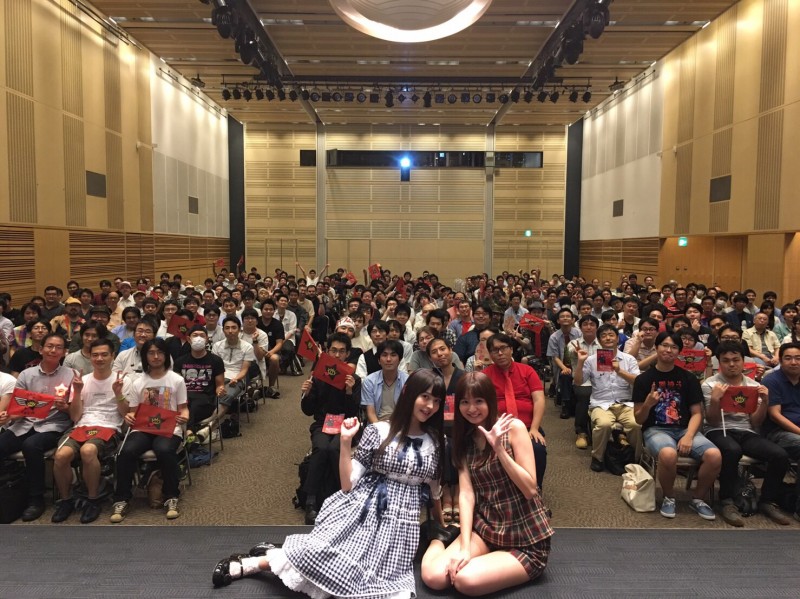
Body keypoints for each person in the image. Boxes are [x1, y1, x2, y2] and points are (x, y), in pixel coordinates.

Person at [212, 369, 446, 597]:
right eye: (425, 397)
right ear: (408, 393)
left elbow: (435, 490)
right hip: (365, 510)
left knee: (382, 585)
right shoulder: (379, 431)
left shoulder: (437, 441)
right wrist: (345, 442)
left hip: (400, 526)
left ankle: (279, 553)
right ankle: (254, 563)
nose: (430, 406)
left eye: (436, 401)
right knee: (332, 558)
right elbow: (348, 484)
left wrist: (442, 528)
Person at [421, 372, 552, 596]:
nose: (472, 409)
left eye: (479, 401)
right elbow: (466, 495)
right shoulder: (465, 440)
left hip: (525, 538)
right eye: (465, 402)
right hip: (486, 529)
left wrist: (499, 449)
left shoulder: (514, 428)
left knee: (464, 580)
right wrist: (464, 548)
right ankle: (438, 537)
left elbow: (530, 490)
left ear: (490, 400)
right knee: (434, 577)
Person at [632, 332, 722, 520]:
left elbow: (697, 413)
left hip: (684, 429)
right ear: (656, 348)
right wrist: (648, 404)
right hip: (655, 429)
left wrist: (689, 436)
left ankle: (698, 498)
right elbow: (639, 419)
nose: (669, 350)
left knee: (714, 456)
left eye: (674, 347)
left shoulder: (688, 378)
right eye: (664, 345)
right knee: (668, 454)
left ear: (679, 352)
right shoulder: (643, 380)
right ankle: (669, 496)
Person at [702, 341, 791, 527]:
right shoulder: (710, 384)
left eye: (736, 360)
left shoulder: (753, 386)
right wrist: (716, 400)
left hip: (746, 431)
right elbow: (712, 421)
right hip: (718, 430)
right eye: (726, 360)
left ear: (743, 361)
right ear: (719, 362)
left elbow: (756, 422)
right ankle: (726, 500)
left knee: (779, 455)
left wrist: (765, 402)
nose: (731, 364)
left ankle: (767, 500)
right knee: (731, 450)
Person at [112, 338, 189, 522]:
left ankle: (171, 496)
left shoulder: (177, 380)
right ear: (145, 356)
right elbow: (132, 412)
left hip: (169, 427)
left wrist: (185, 416)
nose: (156, 357)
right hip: (143, 428)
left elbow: (184, 408)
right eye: (151, 353)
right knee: (126, 451)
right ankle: (122, 499)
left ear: (166, 355)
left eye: (160, 352)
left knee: (164, 449)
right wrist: (129, 416)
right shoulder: (138, 382)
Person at [0, 332, 74, 521]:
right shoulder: (27, 374)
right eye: (49, 346)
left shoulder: (71, 375)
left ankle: (36, 499)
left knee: (31, 446)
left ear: (64, 352)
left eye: (58, 347)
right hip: (24, 423)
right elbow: (17, 406)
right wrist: (7, 416)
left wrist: (65, 407)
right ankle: (9, 491)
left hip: (53, 425)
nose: (53, 350)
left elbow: (74, 410)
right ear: (41, 349)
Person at [51, 339, 127, 524]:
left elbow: (126, 414)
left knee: (88, 451)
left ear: (112, 356)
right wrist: (77, 391)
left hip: (109, 427)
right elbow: (75, 416)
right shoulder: (82, 381)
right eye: (95, 355)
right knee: (61, 456)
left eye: (104, 354)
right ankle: (66, 500)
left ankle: (93, 499)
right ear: (90, 357)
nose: (99, 358)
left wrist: (118, 393)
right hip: (82, 426)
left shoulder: (122, 379)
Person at [299, 333, 361, 525]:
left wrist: (349, 391)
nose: (337, 355)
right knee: (321, 448)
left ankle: (344, 497)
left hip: (346, 424)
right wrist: (307, 394)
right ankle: (311, 502)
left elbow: (354, 413)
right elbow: (308, 411)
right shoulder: (318, 375)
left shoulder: (353, 379)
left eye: (342, 351)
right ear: (327, 352)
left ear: (348, 354)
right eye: (333, 350)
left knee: (335, 449)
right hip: (322, 423)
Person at [482, 332, 547, 488]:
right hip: (499, 428)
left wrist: (535, 428)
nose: (500, 353)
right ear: (490, 354)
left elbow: (539, 399)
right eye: (495, 350)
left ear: (511, 349)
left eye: (503, 348)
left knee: (537, 448)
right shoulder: (484, 376)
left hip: (528, 427)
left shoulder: (527, 371)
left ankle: (535, 489)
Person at [574, 324, 642, 472]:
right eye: (603, 336)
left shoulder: (629, 359)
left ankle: (635, 459)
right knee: (604, 424)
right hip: (601, 404)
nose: (608, 338)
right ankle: (597, 458)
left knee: (636, 425)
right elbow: (578, 382)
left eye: (611, 335)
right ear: (599, 341)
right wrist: (580, 362)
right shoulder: (591, 360)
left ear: (618, 338)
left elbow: (637, 382)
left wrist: (619, 371)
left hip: (625, 404)